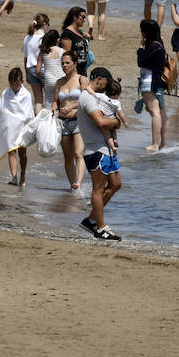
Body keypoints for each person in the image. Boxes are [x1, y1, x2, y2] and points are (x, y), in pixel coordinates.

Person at [78, 66, 124, 240]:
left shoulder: (94, 97)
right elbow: (101, 121)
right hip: (95, 150)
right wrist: (116, 122)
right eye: (106, 82)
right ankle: (101, 227)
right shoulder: (87, 97)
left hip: (105, 149)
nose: (107, 86)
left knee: (116, 184)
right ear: (98, 78)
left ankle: (91, 219)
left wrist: (114, 122)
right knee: (98, 189)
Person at [0, 69, 33, 188]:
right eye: (11, 84)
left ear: (22, 82)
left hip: (22, 128)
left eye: (17, 84)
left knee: (22, 153)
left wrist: (20, 121)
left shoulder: (26, 95)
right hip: (10, 127)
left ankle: (23, 175)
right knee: (11, 151)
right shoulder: (6, 93)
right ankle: (14, 177)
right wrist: (6, 121)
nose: (14, 86)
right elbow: (1, 109)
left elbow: (28, 114)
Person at [52, 50, 89, 197]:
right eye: (62, 63)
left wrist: (71, 106)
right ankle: (73, 186)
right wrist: (53, 107)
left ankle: (79, 183)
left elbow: (86, 99)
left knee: (78, 153)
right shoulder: (59, 82)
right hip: (63, 122)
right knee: (68, 156)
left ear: (74, 63)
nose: (64, 66)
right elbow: (56, 101)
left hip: (79, 120)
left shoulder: (82, 79)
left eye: (67, 63)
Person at [136, 19, 168, 151]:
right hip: (158, 81)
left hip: (150, 81)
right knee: (161, 112)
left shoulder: (152, 46)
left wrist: (140, 49)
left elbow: (141, 61)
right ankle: (163, 144)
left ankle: (155, 144)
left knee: (155, 113)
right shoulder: (159, 43)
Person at [23, 15, 50, 111]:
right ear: (44, 24)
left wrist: (26, 74)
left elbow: (25, 59)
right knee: (49, 99)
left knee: (38, 100)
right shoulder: (45, 38)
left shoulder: (28, 38)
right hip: (44, 69)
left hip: (31, 69)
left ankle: (38, 121)